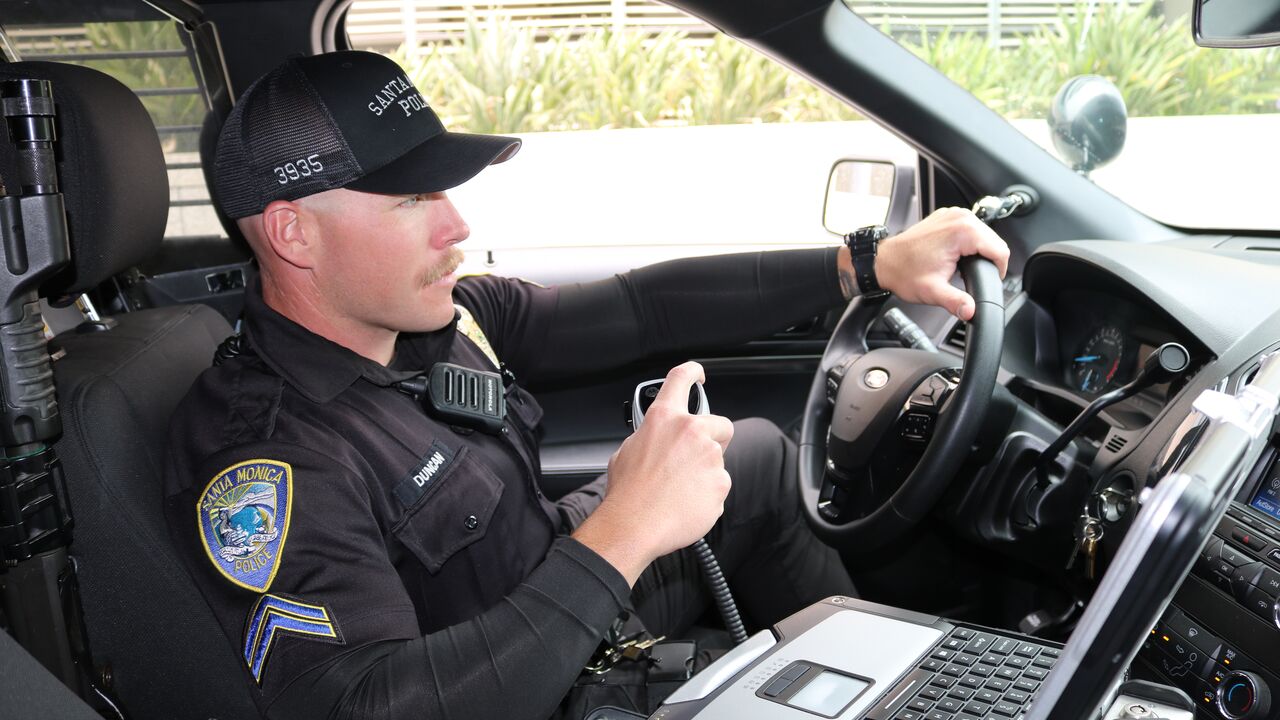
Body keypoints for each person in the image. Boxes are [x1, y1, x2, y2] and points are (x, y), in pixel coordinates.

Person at [162, 50, 1009, 720]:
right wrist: (623, 533)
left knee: (748, 454)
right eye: (414, 198)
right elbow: (364, 705)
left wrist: (863, 262)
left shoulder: (436, 325)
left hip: (561, 600)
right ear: (293, 233)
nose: (457, 224)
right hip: (515, 682)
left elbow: (641, 306)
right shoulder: (268, 454)